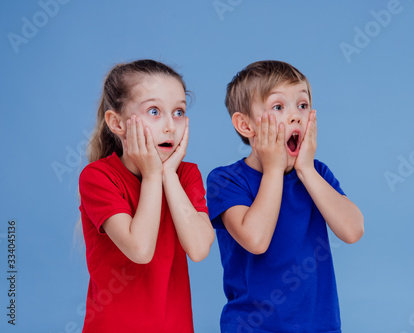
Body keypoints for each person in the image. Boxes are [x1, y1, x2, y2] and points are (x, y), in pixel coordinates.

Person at [206, 60, 364, 333]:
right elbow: (256, 240)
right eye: (279, 107)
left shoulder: (317, 174)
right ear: (245, 125)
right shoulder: (226, 179)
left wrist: (305, 169)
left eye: (302, 105)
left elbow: (352, 230)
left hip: (319, 326)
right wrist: (274, 169)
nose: (295, 116)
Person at [79, 59, 214, 332]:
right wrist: (153, 176)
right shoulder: (98, 177)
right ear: (116, 123)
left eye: (178, 112)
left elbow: (199, 249)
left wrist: (168, 175)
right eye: (154, 111)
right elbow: (140, 249)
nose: (169, 126)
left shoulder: (186, 175)